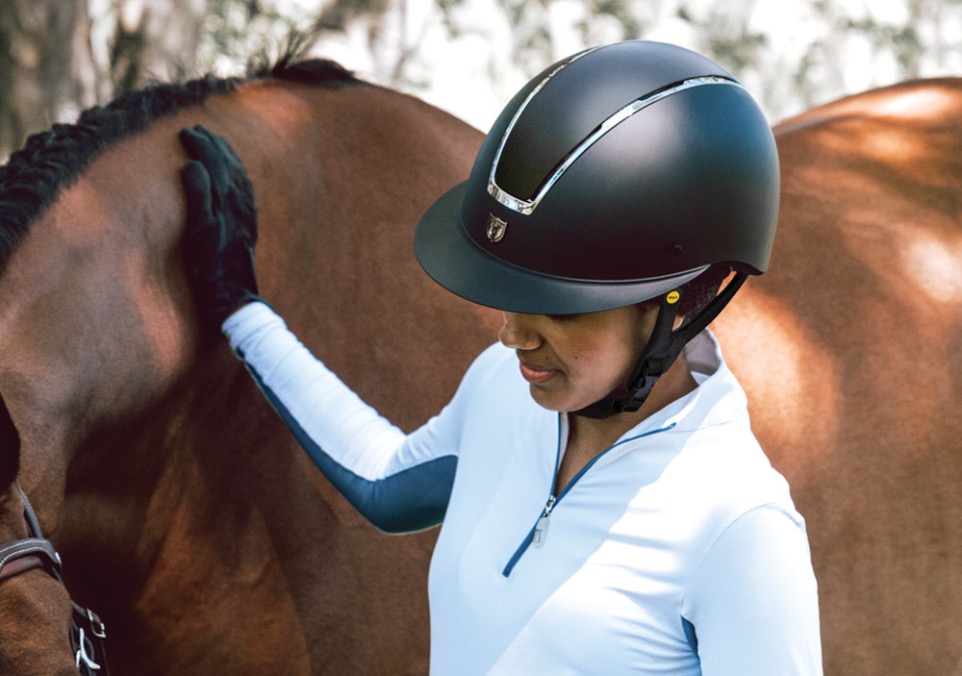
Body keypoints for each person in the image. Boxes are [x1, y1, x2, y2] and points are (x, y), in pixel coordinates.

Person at [179, 40, 822, 674]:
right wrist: (240, 308)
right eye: (507, 294)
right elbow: (386, 482)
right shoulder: (506, 387)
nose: (512, 336)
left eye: (560, 307)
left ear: (682, 302)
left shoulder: (741, 532)